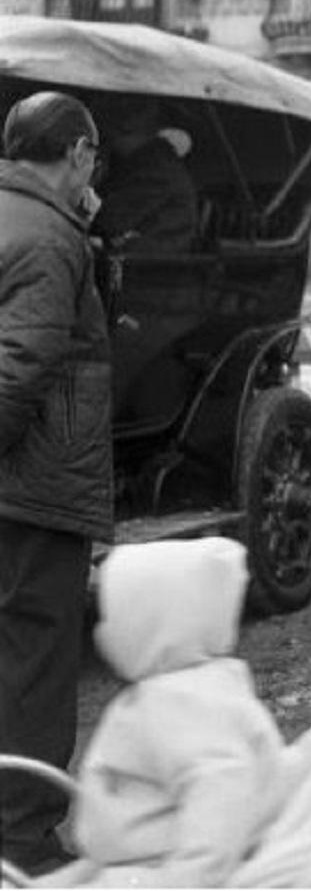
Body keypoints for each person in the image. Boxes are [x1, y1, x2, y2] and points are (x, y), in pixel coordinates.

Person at [40, 538, 311, 887]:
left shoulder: (181, 705)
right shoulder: (175, 689)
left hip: (165, 867)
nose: (102, 632)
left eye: (112, 617)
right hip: (137, 854)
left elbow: (221, 792)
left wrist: (191, 876)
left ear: (150, 624)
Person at [0, 91, 113, 876]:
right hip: (34, 485)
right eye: (92, 158)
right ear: (75, 153)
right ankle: (22, 842)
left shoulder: (23, 220)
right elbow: (21, 366)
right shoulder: (48, 237)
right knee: (35, 662)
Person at [91, 100, 199, 253]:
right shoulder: (141, 165)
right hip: (142, 260)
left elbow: (108, 220)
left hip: (151, 268)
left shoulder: (155, 171)